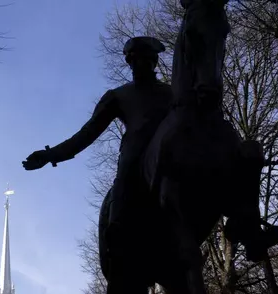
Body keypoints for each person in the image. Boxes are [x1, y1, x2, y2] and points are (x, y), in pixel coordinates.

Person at [22, 36, 173, 242]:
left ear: (154, 62)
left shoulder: (172, 93)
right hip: (135, 155)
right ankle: (117, 228)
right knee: (127, 172)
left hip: (171, 153)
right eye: (135, 60)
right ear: (130, 63)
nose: (140, 65)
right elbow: (88, 133)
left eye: (147, 59)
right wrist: (51, 154)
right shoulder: (118, 96)